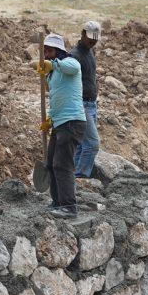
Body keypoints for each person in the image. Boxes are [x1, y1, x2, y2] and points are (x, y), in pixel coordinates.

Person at [35, 33, 86, 219]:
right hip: (60, 122)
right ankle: (57, 202)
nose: (46, 54)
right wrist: (49, 119)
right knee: (51, 163)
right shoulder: (53, 74)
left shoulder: (70, 63)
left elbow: (73, 68)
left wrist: (53, 63)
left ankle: (69, 206)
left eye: (49, 51)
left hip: (72, 121)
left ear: (58, 51)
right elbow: (57, 99)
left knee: (62, 164)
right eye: (44, 51)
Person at [71, 21, 101, 178]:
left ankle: (73, 177)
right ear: (83, 34)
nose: (93, 41)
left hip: (91, 103)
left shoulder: (90, 52)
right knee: (92, 144)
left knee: (82, 145)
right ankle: (81, 176)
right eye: (90, 38)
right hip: (81, 104)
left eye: (95, 39)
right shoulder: (74, 56)